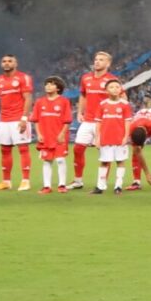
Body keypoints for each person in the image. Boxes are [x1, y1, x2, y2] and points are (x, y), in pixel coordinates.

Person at [0, 54, 35, 193]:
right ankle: (6, 181)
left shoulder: (23, 78)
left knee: (23, 149)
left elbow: (28, 99)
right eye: (4, 61)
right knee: (5, 150)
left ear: (16, 63)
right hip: (4, 120)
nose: (6, 63)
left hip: (19, 119)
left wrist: (24, 119)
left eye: (10, 61)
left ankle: (25, 181)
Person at [73, 50, 114, 193]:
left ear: (108, 64)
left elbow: (122, 99)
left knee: (105, 153)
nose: (97, 62)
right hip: (88, 120)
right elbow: (83, 95)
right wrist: (79, 112)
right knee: (78, 149)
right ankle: (78, 181)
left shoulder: (111, 81)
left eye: (101, 60)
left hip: (104, 122)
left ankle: (101, 185)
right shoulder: (86, 78)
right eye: (96, 59)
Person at [29, 76, 72, 193]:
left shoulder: (64, 101)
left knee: (60, 160)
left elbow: (67, 120)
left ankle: (62, 185)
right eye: (47, 84)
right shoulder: (39, 102)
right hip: (45, 136)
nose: (48, 86)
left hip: (59, 136)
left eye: (52, 84)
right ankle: (47, 186)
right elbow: (36, 120)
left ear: (58, 88)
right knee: (47, 160)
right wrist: (38, 134)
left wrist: (62, 134)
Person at [93, 78, 133, 194]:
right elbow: (98, 122)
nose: (115, 89)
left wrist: (126, 136)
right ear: (106, 90)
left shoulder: (125, 105)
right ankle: (100, 186)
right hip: (105, 138)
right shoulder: (102, 104)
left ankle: (118, 186)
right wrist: (97, 138)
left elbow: (127, 121)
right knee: (104, 162)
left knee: (120, 161)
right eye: (111, 87)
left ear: (121, 89)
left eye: (117, 87)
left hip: (119, 138)